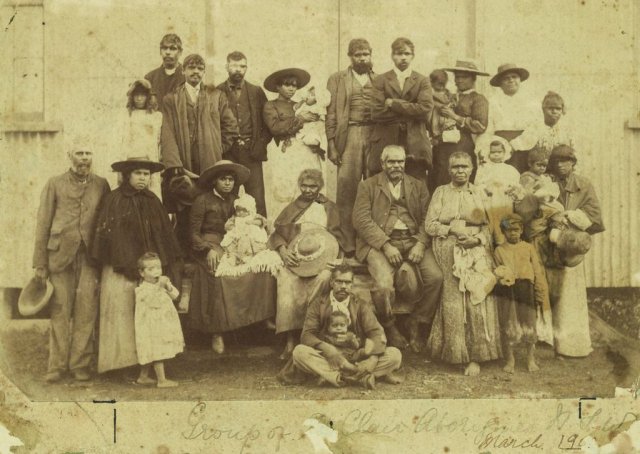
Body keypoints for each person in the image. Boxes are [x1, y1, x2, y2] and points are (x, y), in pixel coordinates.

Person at [91, 157, 183, 375]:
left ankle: (148, 365)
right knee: (121, 314)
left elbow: (163, 236)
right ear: (127, 175)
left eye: (146, 174)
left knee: (150, 319)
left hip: (149, 273)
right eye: (138, 173)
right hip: (120, 268)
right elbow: (113, 239)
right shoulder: (114, 199)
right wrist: (132, 267)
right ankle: (121, 365)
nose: (143, 178)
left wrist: (154, 268)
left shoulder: (153, 200)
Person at [32, 139, 110, 382]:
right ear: (70, 156)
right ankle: (55, 366)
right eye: (79, 153)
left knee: (86, 311)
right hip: (59, 256)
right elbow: (43, 223)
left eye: (88, 153)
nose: (84, 158)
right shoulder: (54, 184)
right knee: (60, 310)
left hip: (90, 258)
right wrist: (40, 263)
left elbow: (106, 221)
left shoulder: (101, 184)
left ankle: (79, 365)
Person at [352, 145, 442, 352]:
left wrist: (420, 243)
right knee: (383, 285)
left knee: (436, 278)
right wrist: (385, 244)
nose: (396, 166)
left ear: (405, 163)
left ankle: (417, 321)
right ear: (383, 164)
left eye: (400, 162)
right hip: (379, 243)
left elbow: (428, 217)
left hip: (411, 240)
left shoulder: (418, 186)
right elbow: (361, 219)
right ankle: (389, 326)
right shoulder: (368, 186)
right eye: (391, 162)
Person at [425, 152, 502, 376]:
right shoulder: (441, 192)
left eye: (464, 167)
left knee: (477, 294)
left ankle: (477, 356)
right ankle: (454, 353)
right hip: (447, 245)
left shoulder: (479, 193)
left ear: (472, 169)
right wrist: (450, 230)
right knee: (454, 298)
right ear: (449, 170)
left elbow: (490, 226)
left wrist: (477, 239)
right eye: (455, 167)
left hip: (476, 246)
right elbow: (430, 225)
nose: (460, 171)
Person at [188, 160, 276, 354]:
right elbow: (193, 232)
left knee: (262, 264)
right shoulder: (202, 200)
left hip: (235, 242)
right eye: (223, 179)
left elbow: (251, 217)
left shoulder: (237, 200)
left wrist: (260, 221)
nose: (227, 183)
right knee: (217, 270)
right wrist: (206, 249)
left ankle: (259, 319)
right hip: (209, 242)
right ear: (214, 181)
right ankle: (216, 331)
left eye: (230, 179)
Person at [161, 53, 239, 252]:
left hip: (208, 163)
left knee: (206, 205)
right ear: (183, 70)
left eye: (199, 68)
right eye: (191, 68)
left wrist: (216, 148)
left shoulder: (216, 96)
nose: (195, 72)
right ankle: (186, 254)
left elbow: (231, 126)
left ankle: (205, 251)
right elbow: (167, 132)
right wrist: (175, 164)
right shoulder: (171, 99)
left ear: (204, 72)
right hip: (183, 162)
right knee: (185, 208)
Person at [268, 169, 346, 359]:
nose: (308, 190)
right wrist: (283, 251)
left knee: (324, 278)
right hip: (297, 257)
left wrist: (336, 259)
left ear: (320, 187)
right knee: (286, 279)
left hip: (324, 257)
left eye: (313, 186)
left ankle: (312, 335)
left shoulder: (330, 207)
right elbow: (277, 234)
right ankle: (290, 338)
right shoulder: (293, 206)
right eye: (304, 186)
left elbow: (340, 238)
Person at [292, 264, 402, 389]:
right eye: (339, 282)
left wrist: (373, 359)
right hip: (329, 358)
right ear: (332, 282)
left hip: (356, 356)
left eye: (347, 282)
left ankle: (337, 376)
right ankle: (361, 376)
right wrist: (328, 349)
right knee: (299, 352)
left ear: (351, 284)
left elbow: (376, 333)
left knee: (394, 355)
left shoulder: (360, 305)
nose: (343, 286)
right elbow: (307, 335)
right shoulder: (319, 304)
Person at [546, 145, 604, 357]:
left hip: (571, 247)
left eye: (566, 161)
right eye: (557, 161)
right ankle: (548, 345)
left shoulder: (584, 185)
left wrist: (573, 216)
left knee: (570, 295)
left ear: (573, 162)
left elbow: (595, 218)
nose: (561, 165)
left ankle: (572, 346)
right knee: (546, 292)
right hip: (548, 242)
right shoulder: (547, 183)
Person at [325, 38, 377, 258]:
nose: (362, 58)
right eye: (358, 55)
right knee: (347, 191)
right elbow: (331, 114)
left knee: (376, 189)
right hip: (350, 136)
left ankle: (372, 243)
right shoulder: (338, 79)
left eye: (366, 54)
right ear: (350, 56)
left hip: (374, 136)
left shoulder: (379, 79)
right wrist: (331, 143)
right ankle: (348, 245)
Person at [369, 37, 433, 185]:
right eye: (399, 53)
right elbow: (376, 113)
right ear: (392, 56)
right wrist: (411, 110)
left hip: (415, 141)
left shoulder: (422, 80)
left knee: (417, 184)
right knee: (384, 184)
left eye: (407, 54)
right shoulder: (381, 80)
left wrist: (394, 104)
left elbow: (425, 109)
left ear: (413, 56)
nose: (403, 57)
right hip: (387, 138)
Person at [262, 67, 323, 218]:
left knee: (308, 186)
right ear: (277, 87)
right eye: (287, 84)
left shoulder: (302, 105)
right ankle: (283, 230)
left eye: (294, 85)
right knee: (285, 190)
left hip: (306, 151)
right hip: (287, 153)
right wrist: (300, 119)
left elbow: (317, 123)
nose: (291, 88)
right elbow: (275, 128)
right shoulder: (271, 106)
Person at [217, 51, 271, 217]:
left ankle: (261, 239)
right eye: (234, 66)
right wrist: (221, 147)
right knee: (226, 197)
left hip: (251, 153)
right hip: (228, 153)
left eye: (242, 66)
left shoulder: (256, 92)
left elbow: (267, 123)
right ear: (227, 67)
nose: (238, 70)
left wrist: (259, 145)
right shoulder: (216, 92)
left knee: (257, 199)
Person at [493, 214, 548, 373]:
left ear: (522, 230)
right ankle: (510, 359)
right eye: (509, 230)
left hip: (526, 289)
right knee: (509, 323)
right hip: (507, 290)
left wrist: (539, 292)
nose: (513, 234)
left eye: (516, 230)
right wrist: (501, 278)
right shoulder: (499, 250)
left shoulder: (529, 248)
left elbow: (537, 271)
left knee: (529, 322)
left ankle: (530, 358)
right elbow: (495, 272)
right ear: (503, 232)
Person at [431, 60, 490, 191]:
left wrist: (455, 116)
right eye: (457, 77)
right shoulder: (447, 96)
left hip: (463, 145)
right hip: (442, 145)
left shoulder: (478, 99)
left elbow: (480, 126)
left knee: (459, 177)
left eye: (464, 77)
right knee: (441, 177)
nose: (459, 80)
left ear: (473, 79)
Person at [476, 63, 539, 173]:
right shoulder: (492, 102)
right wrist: (483, 148)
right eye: (506, 78)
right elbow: (488, 129)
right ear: (500, 83)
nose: (511, 80)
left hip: (523, 149)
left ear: (520, 80)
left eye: (514, 77)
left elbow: (535, 127)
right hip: (498, 150)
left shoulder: (531, 101)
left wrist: (515, 144)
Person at [134, 252, 184, 388]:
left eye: (158, 268)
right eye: (150, 269)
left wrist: (168, 286)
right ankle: (162, 380)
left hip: (164, 323)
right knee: (157, 349)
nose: (156, 272)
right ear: (142, 273)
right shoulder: (141, 290)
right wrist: (159, 286)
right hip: (152, 327)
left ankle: (143, 377)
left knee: (153, 350)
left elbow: (176, 295)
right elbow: (153, 302)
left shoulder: (161, 283)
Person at [112, 79, 163, 199]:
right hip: (131, 160)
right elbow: (122, 140)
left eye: (142, 95)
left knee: (150, 193)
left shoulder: (156, 116)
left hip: (149, 160)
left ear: (148, 97)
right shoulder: (126, 115)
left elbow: (157, 141)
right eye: (136, 95)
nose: (139, 99)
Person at [475, 136, 521, 244]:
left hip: (505, 199)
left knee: (505, 219)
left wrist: (511, 189)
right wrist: (485, 190)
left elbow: (515, 182)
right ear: (488, 153)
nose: (496, 154)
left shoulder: (509, 169)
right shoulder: (484, 168)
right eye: (493, 152)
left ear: (504, 153)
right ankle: (494, 241)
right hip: (491, 198)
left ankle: (505, 241)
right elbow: (478, 184)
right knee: (493, 220)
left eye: (499, 152)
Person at [145, 34, 185, 114]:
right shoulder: (150, 78)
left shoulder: (187, 77)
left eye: (173, 48)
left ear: (180, 52)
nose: (167, 52)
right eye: (164, 48)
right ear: (160, 51)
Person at [535, 91, 575, 158]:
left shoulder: (567, 133)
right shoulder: (535, 131)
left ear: (562, 110)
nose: (554, 111)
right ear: (543, 109)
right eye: (550, 108)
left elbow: (573, 155)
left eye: (558, 109)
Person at [428, 69, 457, 148]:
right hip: (434, 123)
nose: (442, 86)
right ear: (431, 82)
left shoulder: (448, 94)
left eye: (443, 84)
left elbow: (450, 103)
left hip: (445, 124)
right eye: (439, 83)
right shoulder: (429, 93)